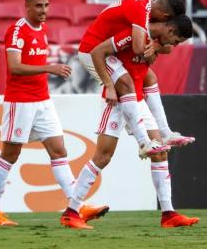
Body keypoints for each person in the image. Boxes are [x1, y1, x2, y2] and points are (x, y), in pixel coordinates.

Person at [0, 0, 107, 226]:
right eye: (39, 6)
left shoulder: (43, 30)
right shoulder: (17, 30)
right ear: (27, 6)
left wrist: (46, 71)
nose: (44, 11)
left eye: (47, 5)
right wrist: (49, 68)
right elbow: (15, 66)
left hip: (43, 100)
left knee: (59, 150)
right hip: (20, 101)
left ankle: (76, 206)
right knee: (10, 154)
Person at [61, 16, 199, 229]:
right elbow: (98, 51)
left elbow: (158, 60)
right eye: (175, 40)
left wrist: (157, 47)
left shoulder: (156, 42)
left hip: (138, 100)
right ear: (168, 28)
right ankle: (72, 211)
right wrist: (108, 84)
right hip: (117, 101)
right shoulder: (132, 35)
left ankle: (168, 214)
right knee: (103, 157)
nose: (173, 46)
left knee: (160, 151)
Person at [78, 0, 188, 158]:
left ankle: (164, 133)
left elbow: (167, 47)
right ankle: (143, 142)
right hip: (93, 50)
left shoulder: (151, 10)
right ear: (166, 17)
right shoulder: (141, 11)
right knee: (126, 83)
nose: (166, 27)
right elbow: (138, 48)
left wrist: (155, 46)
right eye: (168, 24)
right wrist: (109, 86)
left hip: (110, 50)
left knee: (150, 78)